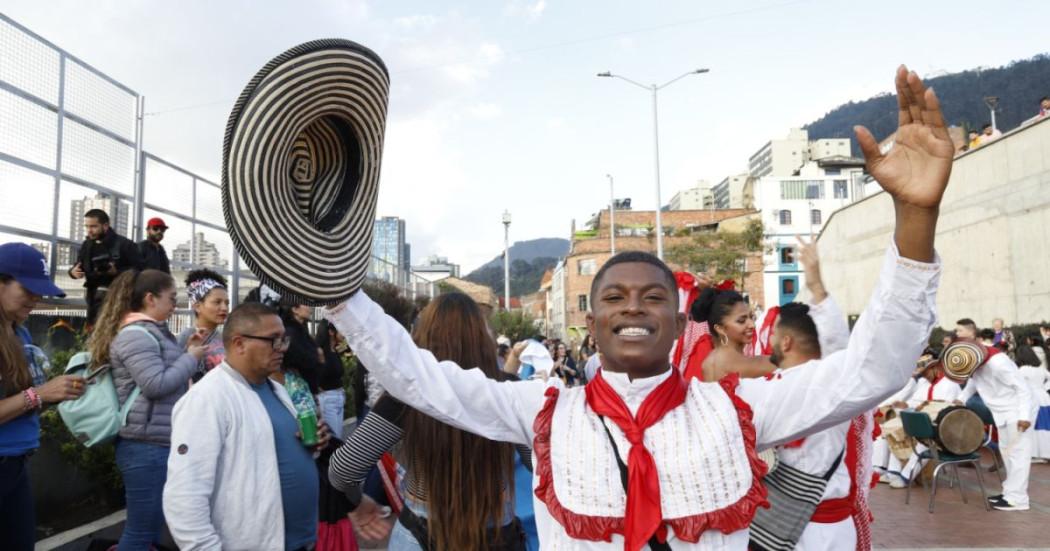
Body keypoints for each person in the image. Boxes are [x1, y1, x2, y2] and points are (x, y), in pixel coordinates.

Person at [323, 65, 952, 550]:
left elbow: (874, 369)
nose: (633, 309)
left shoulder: (738, 408)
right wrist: (338, 291)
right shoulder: (541, 411)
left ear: (678, 323)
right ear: (591, 324)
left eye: (653, 297)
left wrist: (916, 219)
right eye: (614, 298)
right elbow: (415, 375)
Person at [330, 293, 530, 550]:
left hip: (420, 531)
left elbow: (343, 469)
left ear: (423, 336)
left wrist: (358, 503)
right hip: (497, 530)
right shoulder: (507, 390)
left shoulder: (406, 395)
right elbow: (537, 462)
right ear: (483, 337)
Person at [164, 302, 330, 550]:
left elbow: (268, 453)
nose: (282, 348)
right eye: (273, 340)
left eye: (284, 340)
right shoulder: (207, 399)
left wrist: (313, 446)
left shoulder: (276, 389)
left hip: (300, 541)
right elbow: (185, 494)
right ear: (239, 344)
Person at [87, 268, 206, 550]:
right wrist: (190, 358)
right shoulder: (135, 335)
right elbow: (155, 384)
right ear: (150, 298)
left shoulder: (151, 333)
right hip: (144, 445)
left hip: (154, 440)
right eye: (171, 298)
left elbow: (162, 373)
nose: (175, 304)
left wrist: (186, 348)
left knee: (149, 529)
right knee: (140, 532)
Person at [750, 298, 861, 551]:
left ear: (786, 342)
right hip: (830, 528)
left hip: (790, 523)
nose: (769, 340)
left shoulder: (767, 389)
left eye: (773, 334)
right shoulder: (836, 383)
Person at [0, 243, 85, 551]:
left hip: (16, 464)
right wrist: (39, 394)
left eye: (40, 291)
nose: (35, 298)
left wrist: (55, 394)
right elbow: (29, 396)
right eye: (27, 289)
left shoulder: (19, 332)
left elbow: (23, 400)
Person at [955, 341, 1036, 511]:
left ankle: (1018, 500)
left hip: (1017, 411)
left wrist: (1024, 416)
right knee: (1008, 455)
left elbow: (1023, 388)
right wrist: (961, 399)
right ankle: (1009, 494)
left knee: (1018, 456)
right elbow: (973, 383)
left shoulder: (998, 363)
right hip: (1002, 412)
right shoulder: (975, 363)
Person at [68, 208, 144, 324]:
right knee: (94, 328)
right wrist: (73, 272)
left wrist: (117, 272)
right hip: (93, 299)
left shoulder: (125, 244)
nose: (89, 230)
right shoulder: (87, 245)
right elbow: (79, 265)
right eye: (87, 226)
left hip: (119, 299)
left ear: (105, 226)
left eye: (93, 226)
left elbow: (140, 271)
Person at [176, 269, 230, 379]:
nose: (224, 308)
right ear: (197, 306)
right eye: (217, 302)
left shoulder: (225, 338)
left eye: (226, 303)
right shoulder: (186, 337)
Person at [1014, 345, 1050, 461]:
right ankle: (1045, 453)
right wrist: (1044, 388)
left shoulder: (1022, 370)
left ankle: (1032, 453)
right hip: (1044, 398)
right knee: (1044, 426)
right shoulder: (1041, 369)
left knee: (1032, 427)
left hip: (1030, 399)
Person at [280, 301, 323, 395]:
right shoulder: (291, 332)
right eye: (306, 304)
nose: (310, 308)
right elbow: (300, 360)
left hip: (306, 386)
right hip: (298, 388)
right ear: (295, 309)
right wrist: (317, 356)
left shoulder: (300, 330)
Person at [316, 320, 348, 440]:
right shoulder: (320, 353)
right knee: (333, 439)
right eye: (341, 329)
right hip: (328, 398)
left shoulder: (334, 351)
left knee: (337, 437)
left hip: (338, 397)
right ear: (331, 331)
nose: (344, 332)